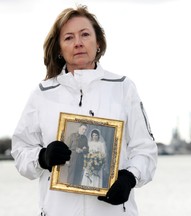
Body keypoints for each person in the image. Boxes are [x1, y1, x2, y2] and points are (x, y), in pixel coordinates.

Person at [11, 4, 157, 216]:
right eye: (69, 38)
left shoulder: (123, 87)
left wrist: (130, 177)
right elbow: (20, 151)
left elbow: (146, 149)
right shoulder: (42, 94)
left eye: (85, 34)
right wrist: (42, 157)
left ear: (98, 42)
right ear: (59, 48)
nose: (78, 43)